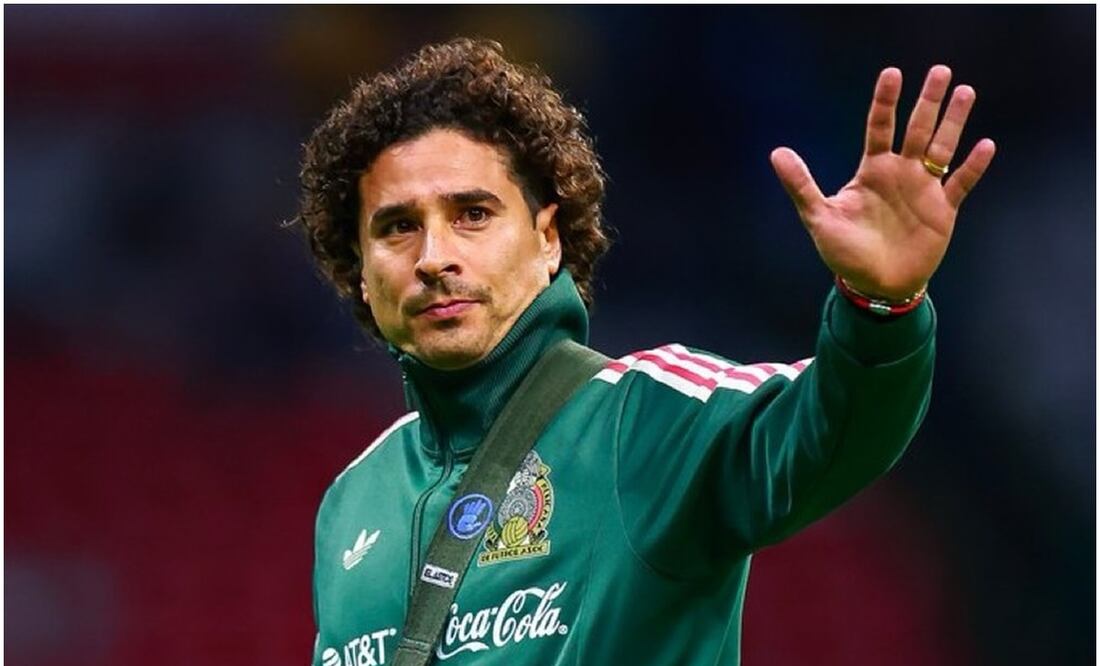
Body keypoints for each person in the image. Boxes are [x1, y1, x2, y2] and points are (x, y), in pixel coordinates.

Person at [297, 38, 994, 665]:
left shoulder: (648, 416)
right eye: (396, 228)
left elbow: (832, 430)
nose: (434, 257)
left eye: (472, 214)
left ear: (549, 240)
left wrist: (879, 306)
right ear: (360, 267)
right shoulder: (354, 499)